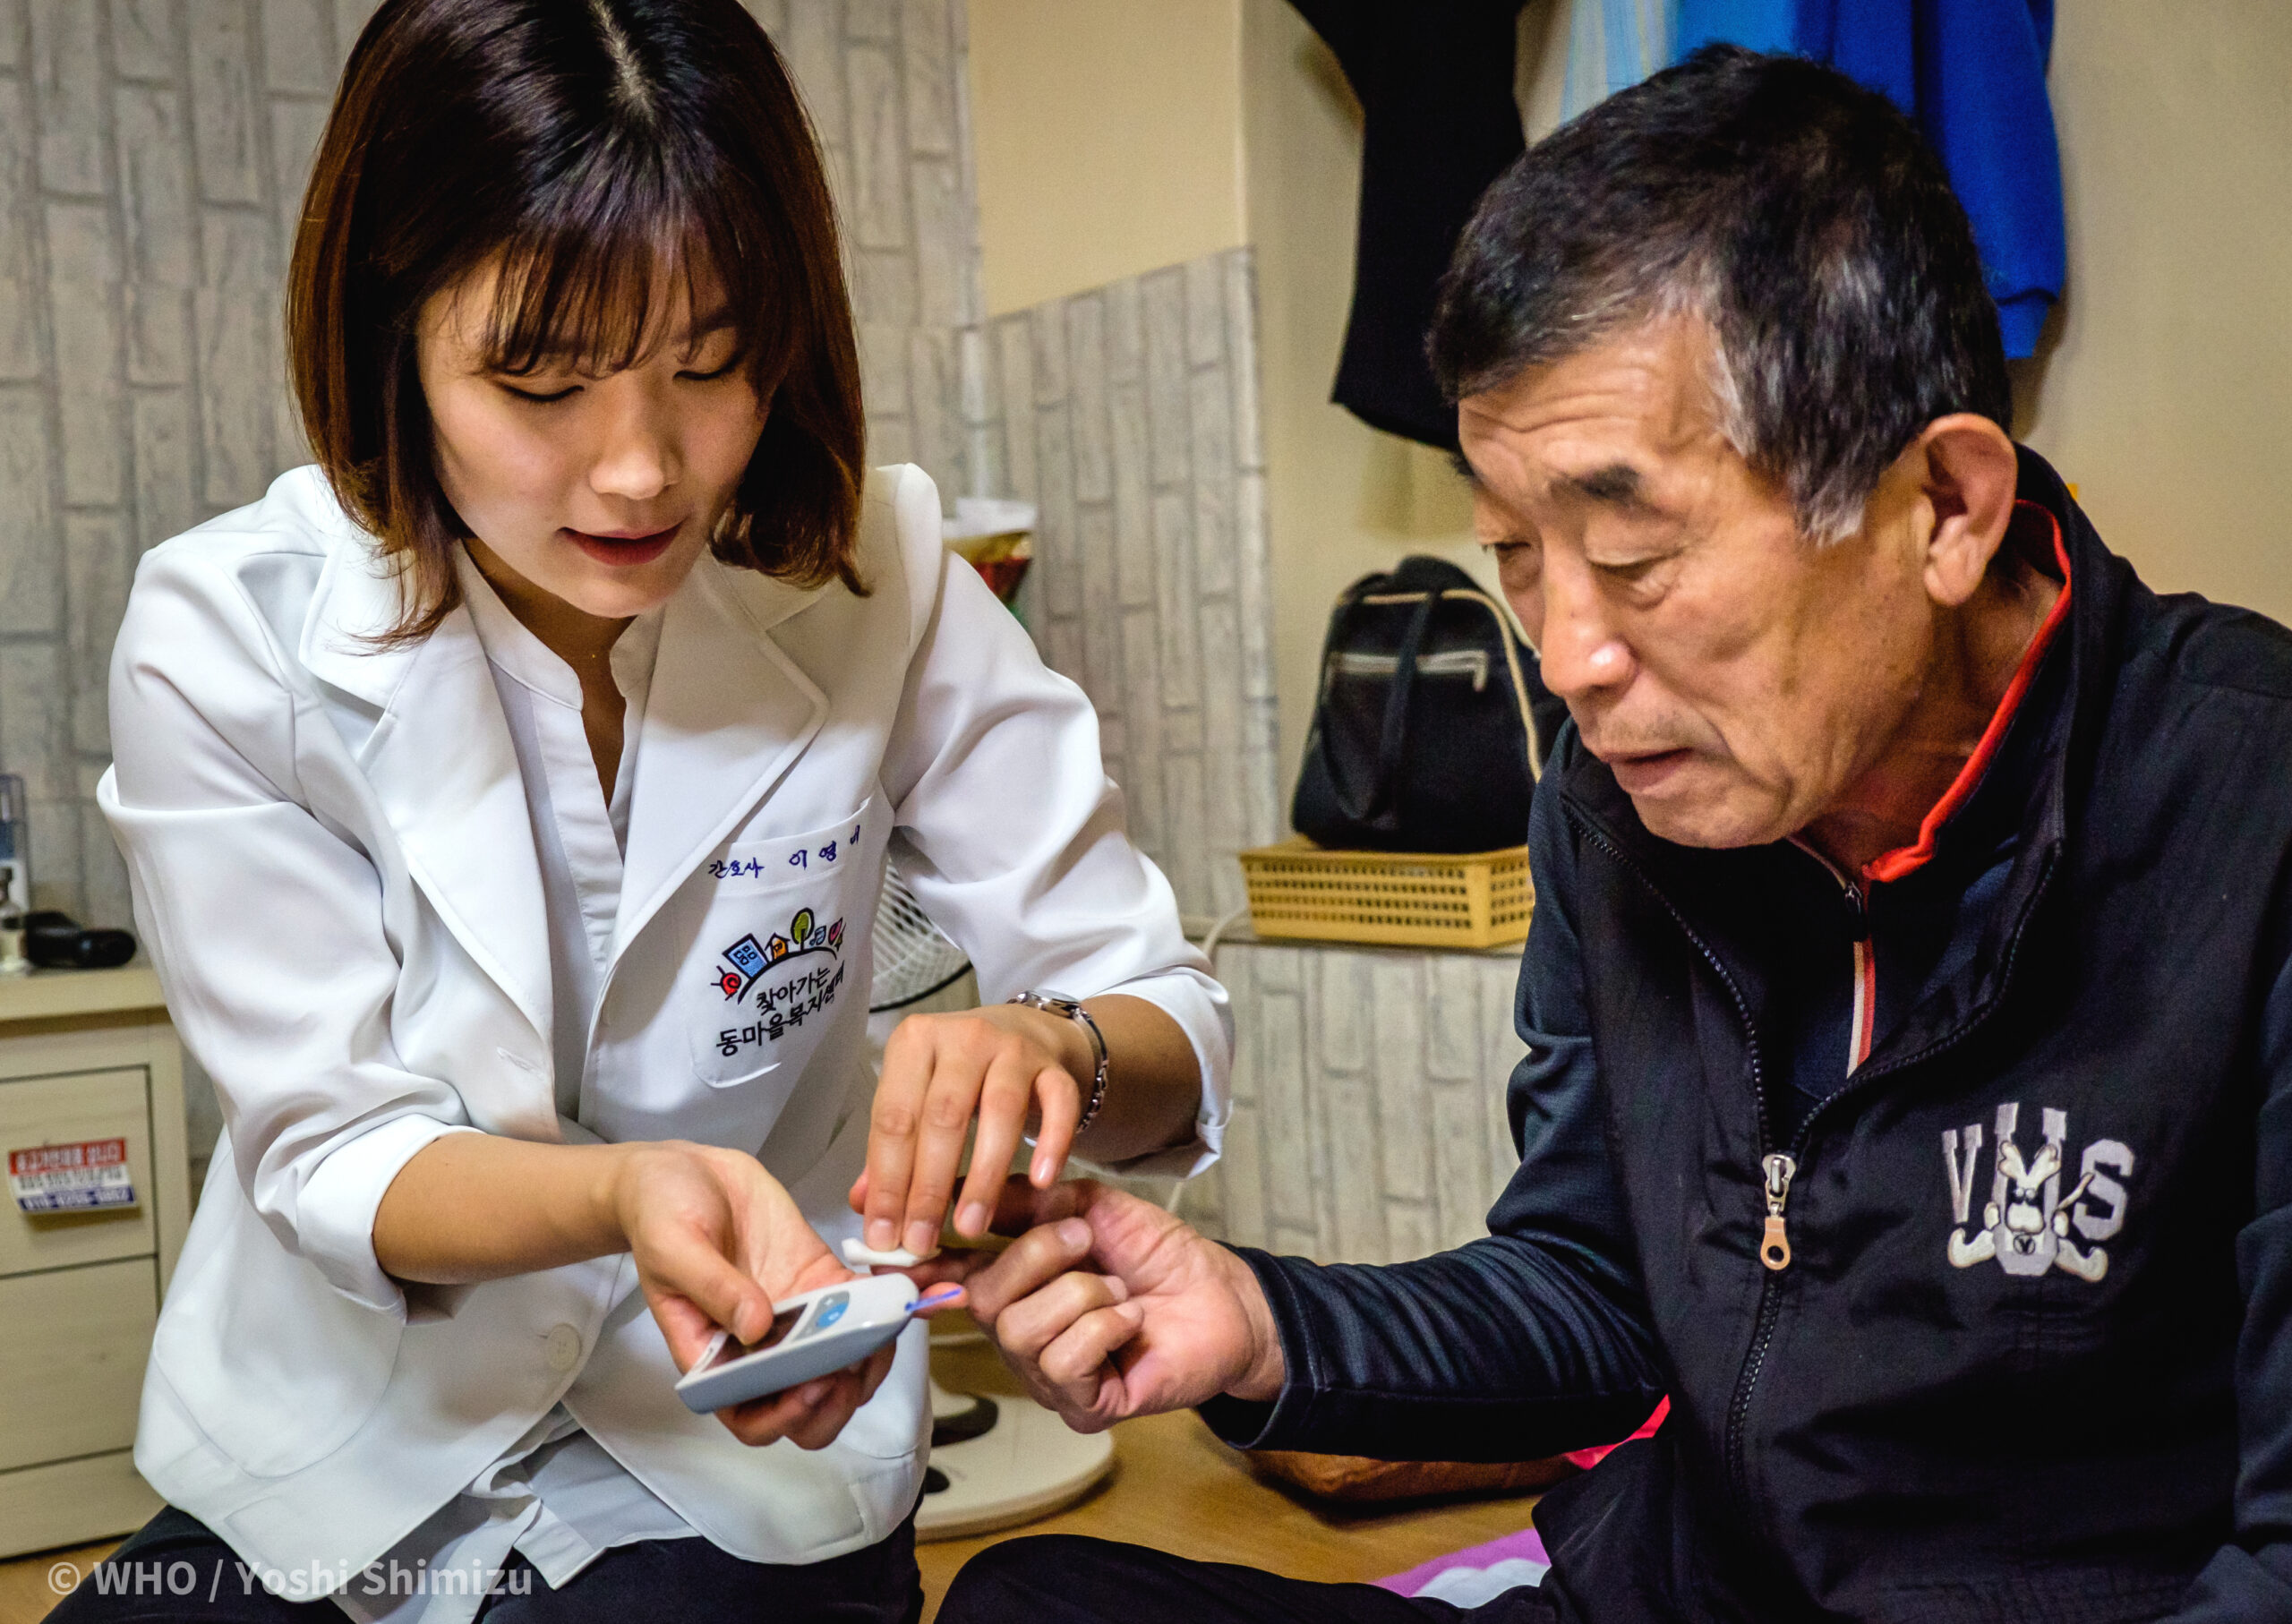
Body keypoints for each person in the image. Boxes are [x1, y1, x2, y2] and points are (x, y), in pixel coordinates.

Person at [931, 47, 2292, 1624]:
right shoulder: (1613, 802)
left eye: (1635, 554)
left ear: (1945, 510)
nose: (1568, 657)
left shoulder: (2243, 811)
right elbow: (1593, 1294)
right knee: (1036, 1603)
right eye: (1518, 554)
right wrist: (1256, 1325)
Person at [63, 2, 1228, 1620]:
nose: (639, 472)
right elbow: (337, 1147)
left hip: (753, 1452)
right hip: (344, 1446)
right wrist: (622, 1197)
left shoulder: (881, 577)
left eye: (712, 363)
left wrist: (1059, 1049)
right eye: (541, 383)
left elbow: (1158, 1003)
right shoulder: (225, 630)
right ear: (391, 334)